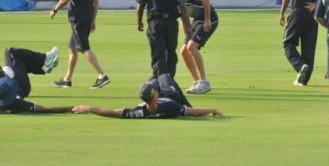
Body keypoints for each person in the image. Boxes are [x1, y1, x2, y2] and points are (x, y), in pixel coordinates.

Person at [49, 0, 110, 89]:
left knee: (83, 47)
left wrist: (55, 9)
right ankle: (67, 79)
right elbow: (96, 2)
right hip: (87, 17)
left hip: (78, 18)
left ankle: (102, 75)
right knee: (72, 49)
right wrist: (93, 20)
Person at [72, 73, 224, 119]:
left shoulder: (140, 112)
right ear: (155, 95)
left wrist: (90, 108)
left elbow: (113, 112)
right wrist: (212, 109)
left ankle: (152, 80)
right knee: (164, 75)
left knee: (154, 78)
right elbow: (193, 112)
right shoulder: (170, 106)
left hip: (157, 98)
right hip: (171, 95)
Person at [135, 0, 191, 78]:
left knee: (157, 53)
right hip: (171, 23)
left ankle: (158, 80)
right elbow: (183, 8)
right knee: (171, 52)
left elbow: (140, 6)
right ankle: (170, 80)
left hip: (155, 23)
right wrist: (188, 26)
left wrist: (139, 22)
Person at [279, 0, 326, 86]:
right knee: (309, 49)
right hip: (313, 16)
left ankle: (300, 66)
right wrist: (316, 5)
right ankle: (303, 80)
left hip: (297, 13)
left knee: (287, 44)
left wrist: (281, 12)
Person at [1, 46, 73, 114]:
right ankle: (44, 60)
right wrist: (71, 108)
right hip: (18, 83)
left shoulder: (12, 104)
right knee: (10, 52)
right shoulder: (13, 102)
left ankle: (43, 66)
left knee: (18, 64)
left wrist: (71, 109)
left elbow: (44, 109)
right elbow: (44, 109)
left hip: (19, 88)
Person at [180, 0, 218, 94]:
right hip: (196, 21)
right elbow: (183, 16)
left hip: (209, 20)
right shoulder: (170, 1)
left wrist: (207, 20)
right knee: (184, 51)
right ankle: (197, 81)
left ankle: (204, 82)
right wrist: (187, 33)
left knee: (191, 47)